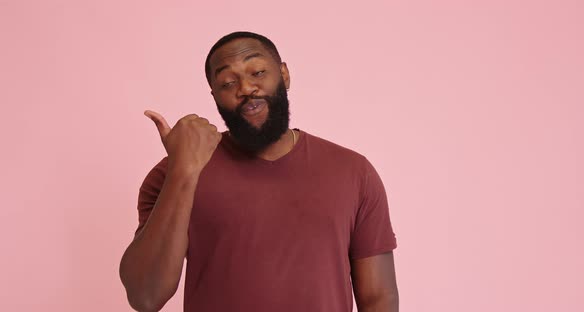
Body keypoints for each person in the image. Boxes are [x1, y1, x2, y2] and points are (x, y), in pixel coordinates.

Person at [119, 31, 399, 312]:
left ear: (284, 75)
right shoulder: (172, 173)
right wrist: (184, 171)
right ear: (214, 95)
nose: (246, 88)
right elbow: (145, 296)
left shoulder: (352, 172)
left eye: (258, 72)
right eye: (228, 82)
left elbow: (378, 298)